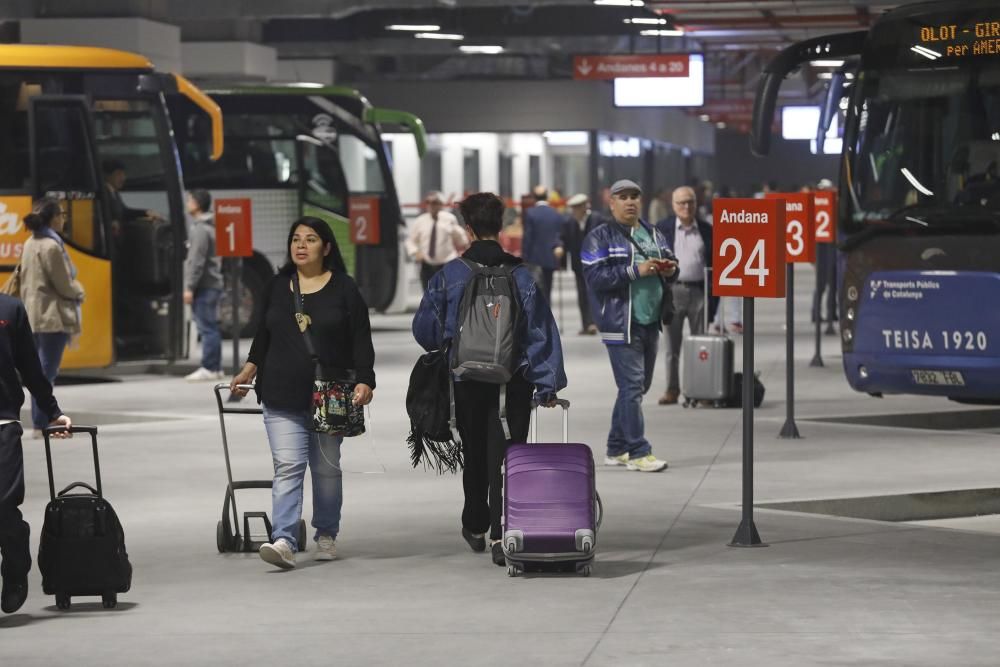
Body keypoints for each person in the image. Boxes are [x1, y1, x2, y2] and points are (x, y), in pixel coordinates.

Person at [413, 192, 566, 566]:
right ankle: (503, 533)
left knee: (475, 453)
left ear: (466, 228)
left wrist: (451, 348)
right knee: (508, 455)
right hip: (511, 382)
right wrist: (546, 382)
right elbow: (540, 332)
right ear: (500, 227)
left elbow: (424, 329)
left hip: (464, 383)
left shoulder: (450, 275)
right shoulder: (520, 276)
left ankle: (475, 523)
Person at [230, 217, 375, 569]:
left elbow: (360, 337)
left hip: (330, 396)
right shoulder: (278, 285)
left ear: (326, 248)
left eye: (310, 239)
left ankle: (326, 532)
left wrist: (365, 379)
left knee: (326, 469)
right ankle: (283, 540)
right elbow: (264, 335)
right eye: (296, 239)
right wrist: (250, 368)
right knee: (288, 466)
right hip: (280, 391)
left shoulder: (344, 288)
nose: (301, 245)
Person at [582, 180, 676, 472]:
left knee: (636, 387)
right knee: (632, 386)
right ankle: (638, 451)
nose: (630, 202)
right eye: (623, 197)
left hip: (651, 320)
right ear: (612, 203)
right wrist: (636, 270)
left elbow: (671, 265)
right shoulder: (599, 237)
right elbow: (596, 278)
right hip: (620, 322)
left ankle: (616, 447)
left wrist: (670, 268)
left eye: (635, 196)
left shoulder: (654, 233)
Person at [0, 293, 73, 614]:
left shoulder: (9, 308)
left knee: (3, 506)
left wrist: (51, 411)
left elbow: (29, 364)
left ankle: (15, 574)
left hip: (2, 421)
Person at [19, 198, 85, 438]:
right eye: (62, 214)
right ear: (54, 218)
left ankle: (40, 422)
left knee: (38, 371)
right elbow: (64, 284)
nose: (64, 219)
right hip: (52, 316)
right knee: (46, 373)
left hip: (32, 315)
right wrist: (79, 291)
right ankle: (42, 423)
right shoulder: (51, 245)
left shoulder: (30, 242)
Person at [655, 186, 717, 406]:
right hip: (672, 292)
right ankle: (672, 389)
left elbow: (715, 265)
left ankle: (701, 390)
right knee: (672, 348)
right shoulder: (662, 229)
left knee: (701, 346)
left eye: (690, 202)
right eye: (681, 202)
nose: (686, 207)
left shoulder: (707, 230)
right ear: (673, 205)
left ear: (696, 203)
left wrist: (714, 301)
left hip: (700, 292)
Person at [183, 190, 225, 382]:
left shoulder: (200, 229)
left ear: (197, 204)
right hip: (213, 283)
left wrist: (189, 287)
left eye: (190, 200)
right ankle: (216, 368)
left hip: (205, 285)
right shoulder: (211, 227)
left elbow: (196, 261)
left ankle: (208, 367)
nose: (187, 202)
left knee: (206, 328)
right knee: (212, 327)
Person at [405, 191, 468, 291]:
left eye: (434, 202)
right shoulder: (420, 221)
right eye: (428, 202)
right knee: (428, 294)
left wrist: (464, 243)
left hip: (447, 263)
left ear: (441, 204)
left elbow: (461, 239)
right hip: (427, 264)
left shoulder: (449, 219)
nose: (430, 205)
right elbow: (410, 240)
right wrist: (416, 252)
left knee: (446, 293)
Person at [560, 193, 603, 335]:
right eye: (573, 209)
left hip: (595, 264)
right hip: (578, 265)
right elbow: (564, 241)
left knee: (594, 293)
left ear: (585, 207)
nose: (574, 212)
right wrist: (560, 258)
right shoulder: (569, 223)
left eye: (577, 208)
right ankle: (586, 324)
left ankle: (593, 323)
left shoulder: (597, 219)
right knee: (582, 295)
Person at [521, 186, 565, 301]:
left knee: (535, 291)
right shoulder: (555, 214)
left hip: (534, 259)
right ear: (547, 197)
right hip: (550, 257)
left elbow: (528, 237)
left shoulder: (530, 213)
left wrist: (524, 257)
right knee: (547, 290)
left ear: (534, 198)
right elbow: (559, 236)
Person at [103, 159, 161, 228]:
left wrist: (146, 212)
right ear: (108, 175)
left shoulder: (114, 192)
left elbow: (124, 212)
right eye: (118, 174)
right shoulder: (103, 193)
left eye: (123, 174)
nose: (123, 178)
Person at [813, 178, 838, 327]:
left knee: (824, 284)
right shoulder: (832, 202)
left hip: (823, 247)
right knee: (826, 284)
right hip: (827, 247)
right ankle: (824, 313)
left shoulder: (817, 203)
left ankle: (825, 313)